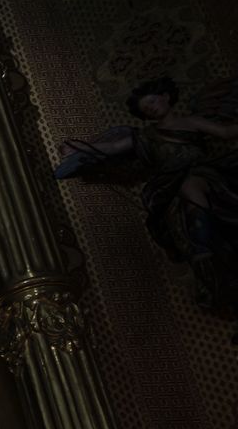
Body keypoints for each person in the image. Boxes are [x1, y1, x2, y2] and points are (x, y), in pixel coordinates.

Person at [57, 76, 238, 330]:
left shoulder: (191, 122)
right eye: (146, 108)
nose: (151, 108)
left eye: (152, 101)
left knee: (193, 186)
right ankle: (216, 274)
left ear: (165, 97)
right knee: (187, 220)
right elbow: (111, 147)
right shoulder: (144, 136)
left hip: (205, 175)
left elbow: (227, 132)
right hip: (170, 187)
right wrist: (78, 149)